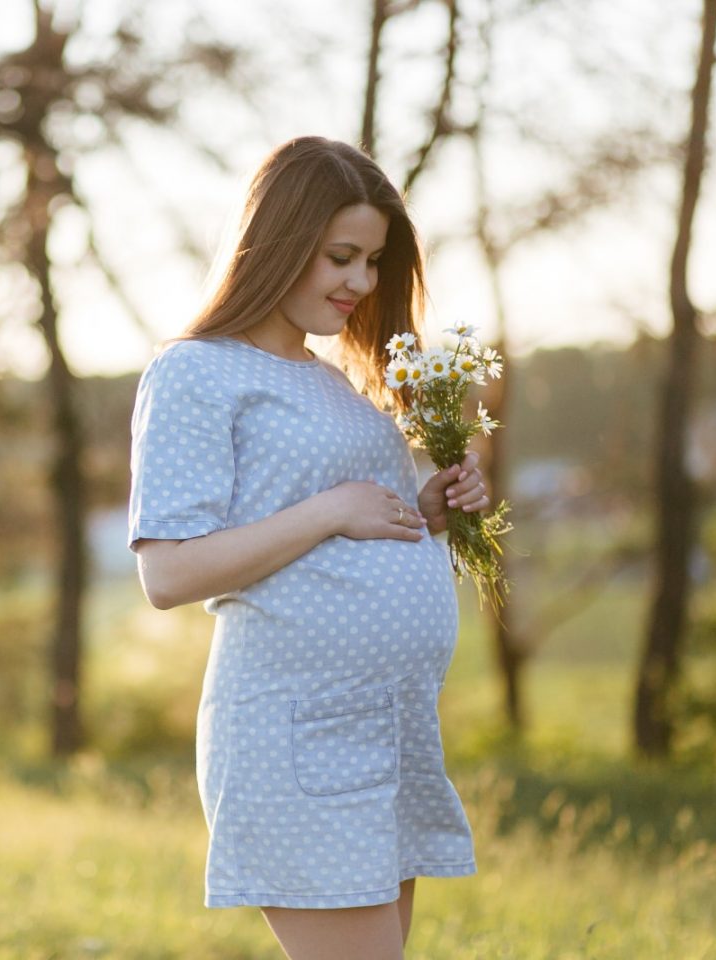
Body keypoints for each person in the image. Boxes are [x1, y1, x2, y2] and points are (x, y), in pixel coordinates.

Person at [125, 136, 492, 960]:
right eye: (340, 257)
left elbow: (359, 524)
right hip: (298, 739)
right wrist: (330, 510)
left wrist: (429, 511)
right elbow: (167, 572)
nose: (360, 283)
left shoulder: (336, 381)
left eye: (372, 261)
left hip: (388, 731)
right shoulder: (195, 373)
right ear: (281, 241)